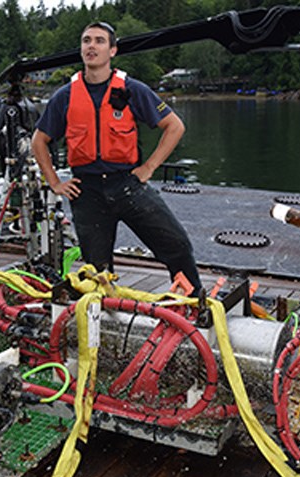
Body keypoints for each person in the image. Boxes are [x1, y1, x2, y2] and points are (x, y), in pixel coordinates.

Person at [31, 21, 202, 295]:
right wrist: (54, 182)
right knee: (97, 271)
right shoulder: (65, 96)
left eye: (99, 41)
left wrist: (149, 167)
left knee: (177, 244)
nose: (91, 46)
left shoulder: (132, 89)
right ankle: (103, 320)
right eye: (86, 41)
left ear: (112, 51)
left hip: (127, 184)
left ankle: (196, 304)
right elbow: (39, 141)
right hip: (86, 193)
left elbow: (175, 126)